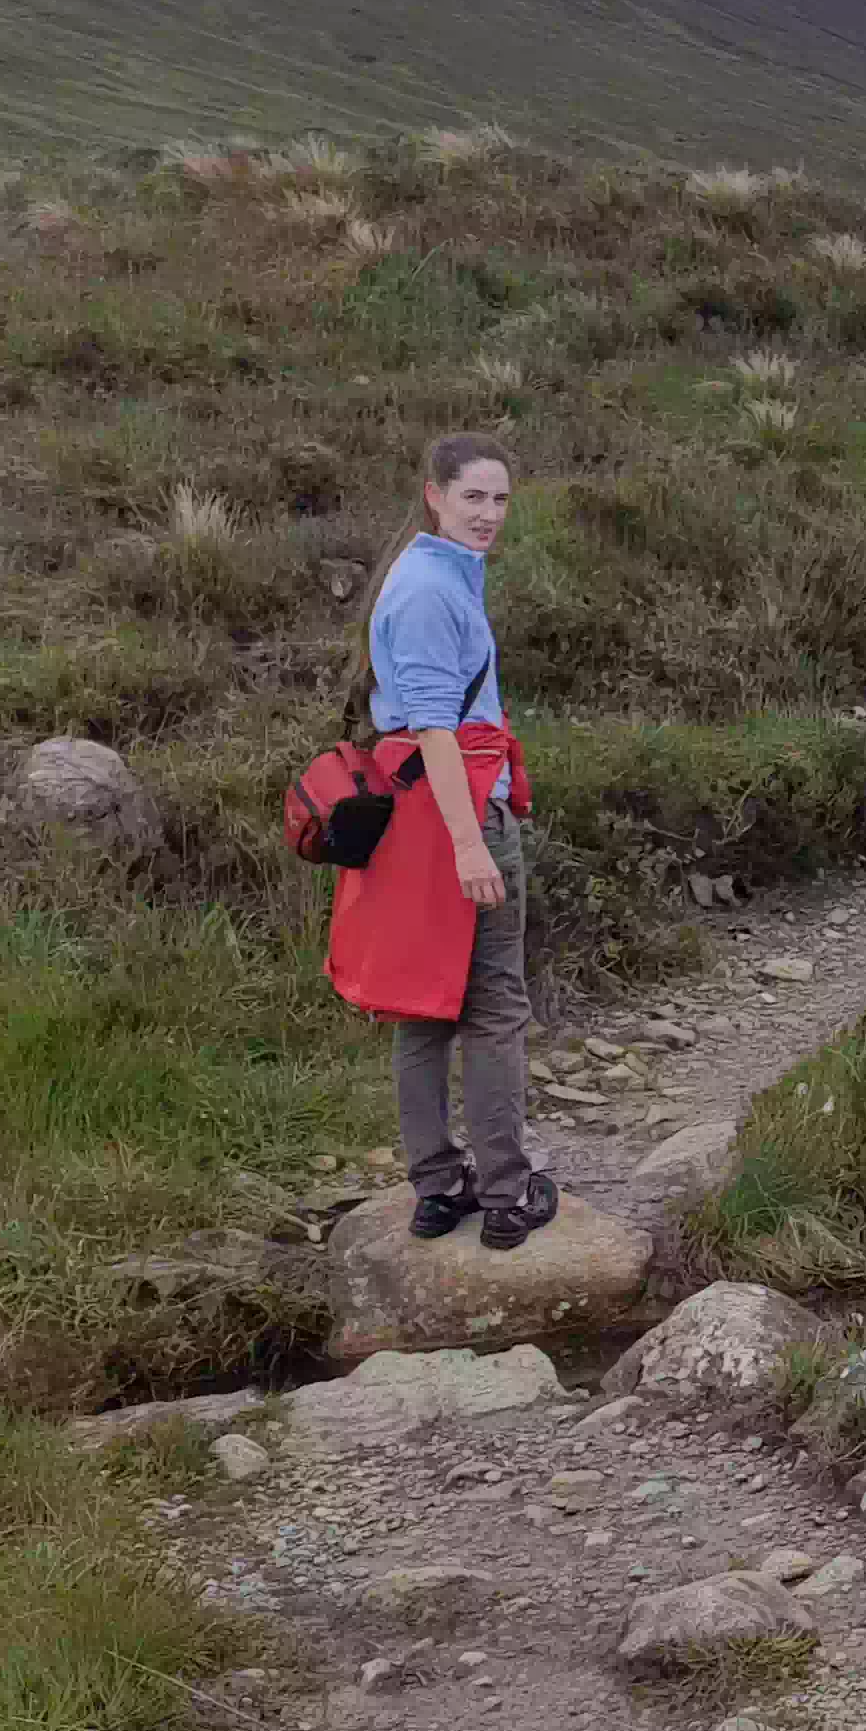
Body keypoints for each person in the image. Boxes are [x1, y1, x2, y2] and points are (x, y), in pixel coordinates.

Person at [364, 432, 558, 1248]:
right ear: (434, 494)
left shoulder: (433, 574)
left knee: (424, 1006)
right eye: (473, 496)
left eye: (500, 499)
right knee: (493, 1007)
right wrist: (471, 845)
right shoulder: (429, 591)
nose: (488, 514)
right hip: (461, 812)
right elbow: (436, 727)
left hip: (421, 815)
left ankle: (439, 1188)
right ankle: (505, 1195)